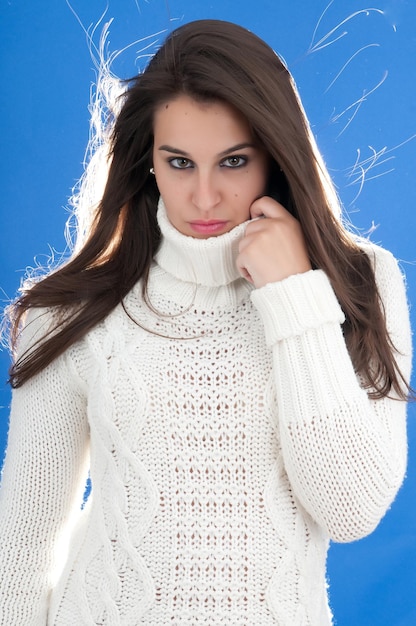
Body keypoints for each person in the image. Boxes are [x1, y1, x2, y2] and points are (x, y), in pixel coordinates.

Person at [0, 19, 412, 626]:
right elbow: (22, 545)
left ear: (275, 156)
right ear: (148, 162)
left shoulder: (359, 281)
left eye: (234, 161)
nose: (205, 197)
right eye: (180, 163)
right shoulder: (72, 309)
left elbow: (350, 510)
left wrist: (295, 295)